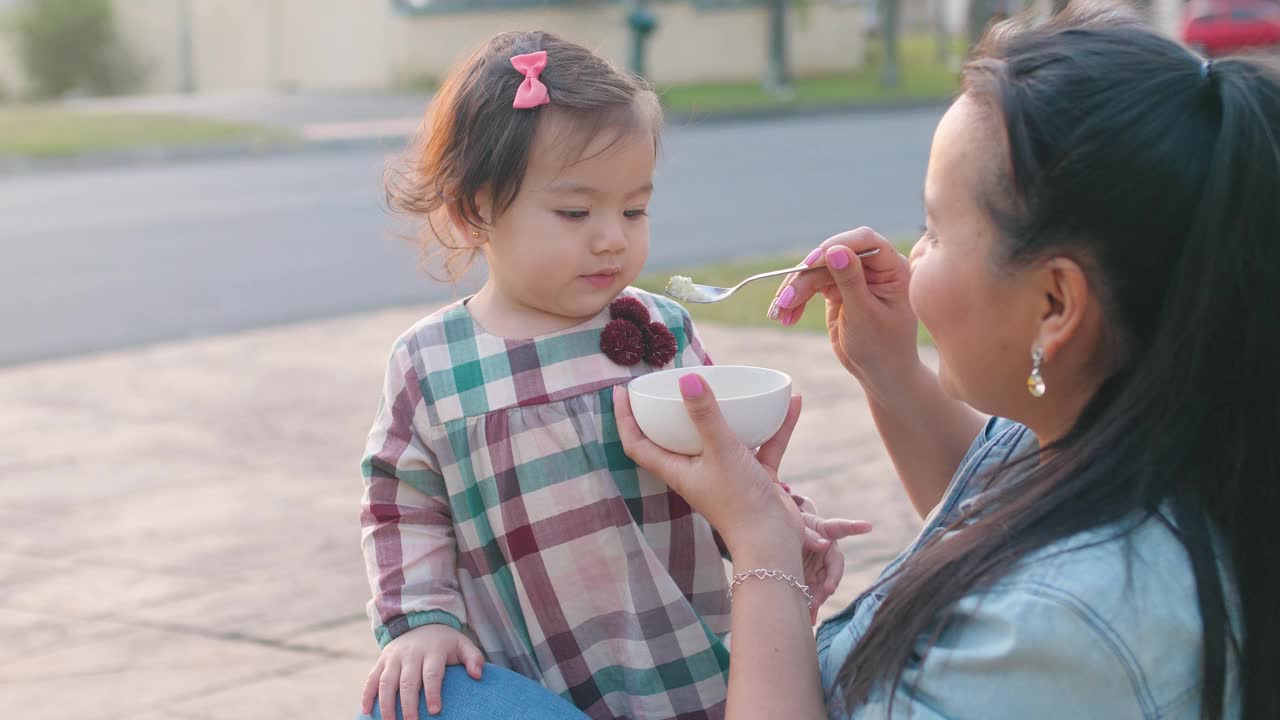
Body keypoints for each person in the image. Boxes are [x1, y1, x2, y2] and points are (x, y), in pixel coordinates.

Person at [618, 4, 1279, 719]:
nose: (913, 257)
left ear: (1055, 304)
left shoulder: (1061, 631)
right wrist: (889, 368)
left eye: (932, 228)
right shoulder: (1125, 418)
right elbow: (994, 505)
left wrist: (759, 545)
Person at [355, 31, 858, 720]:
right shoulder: (432, 361)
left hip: (683, 660)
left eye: (633, 209)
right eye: (575, 212)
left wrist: (785, 524)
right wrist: (420, 620)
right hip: (533, 678)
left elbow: (726, 465)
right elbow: (401, 504)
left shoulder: (661, 329)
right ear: (476, 209)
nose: (612, 237)